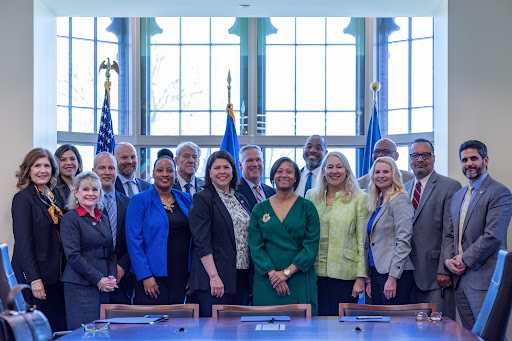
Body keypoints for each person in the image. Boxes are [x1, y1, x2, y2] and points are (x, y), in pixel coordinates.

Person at [443, 140, 512, 330]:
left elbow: (493, 235)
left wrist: (464, 259)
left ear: (485, 160)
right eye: (464, 160)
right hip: (459, 280)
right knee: (469, 336)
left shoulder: (499, 192)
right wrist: (448, 260)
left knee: (490, 335)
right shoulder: (459, 195)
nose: (469, 164)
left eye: (474, 158)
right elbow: (450, 234)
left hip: (485, 279)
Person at [249, 157, 320, 315]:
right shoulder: (259, 209)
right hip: (267, 279)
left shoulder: (307, 207)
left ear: (296, 177)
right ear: (273, 176)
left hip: (299, 275)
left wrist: (286, 273)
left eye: (289, 171)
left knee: (302, 333)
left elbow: (311, 246)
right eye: (279, 171)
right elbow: (255, 247)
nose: (284, 175)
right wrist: (273, 274)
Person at [189, 151, 251, 317]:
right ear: (209, 172)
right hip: (215, 280)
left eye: (226, 167)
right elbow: (202, 242)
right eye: (217, 168)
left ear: (233, 171)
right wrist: (214, 276)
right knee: (216, 332)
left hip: (240, 277)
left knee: (239, 332)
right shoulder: (202, 198)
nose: (222, 171)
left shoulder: (240, 198)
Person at [306, 151, 368, 316]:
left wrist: (361, 278)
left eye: (339, 167)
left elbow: (363, 241)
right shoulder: (311, 196)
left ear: (347, 170)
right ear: (324, 171)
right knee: (315, 326)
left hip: (346, 275)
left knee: (341, 328)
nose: (334, 171)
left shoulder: (360, 198)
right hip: (314, 273)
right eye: (330, 167)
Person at [11, 148, 67, 332]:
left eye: (46, 166)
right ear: (28, 170)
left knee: (54, 328)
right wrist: (34, 279)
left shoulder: (50, 197)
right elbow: (23, 243)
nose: (42, 170)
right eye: (37, 166)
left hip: (53, 277)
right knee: (37, 332)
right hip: (34, 278)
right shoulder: (23, 199)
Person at [404, 139, 461, 320]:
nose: (420, 159)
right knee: (409, 329)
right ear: (410, 159)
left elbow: (450, 232)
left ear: (433, 158)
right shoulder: (403, 189)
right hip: (405, 275)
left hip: (435, 275)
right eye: (415, 155)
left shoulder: (450, 186)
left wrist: (444, 268)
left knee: (439, 329)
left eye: (425, 155)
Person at [126, 155, 193, 305]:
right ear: (153, 174)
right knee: (153, 325)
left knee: (178, 324)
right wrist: (145, 275)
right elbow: (134, 241)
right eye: (160, 170)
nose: (165, 174)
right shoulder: (139, 201)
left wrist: (193, 273)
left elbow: (194, 238)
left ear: (175, 175)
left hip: (181, 275)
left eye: (170, 170)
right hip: (152, 277)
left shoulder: (186, 199)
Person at [61, 171, 117, 330]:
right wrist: (99, 279)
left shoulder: (103, 218)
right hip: (81, 287)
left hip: (105, 286)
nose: (91, 193)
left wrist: (111, 277)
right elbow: (73, 256)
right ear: (76, 193)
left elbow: (111, 252)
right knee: (85, 334)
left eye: (95, 190)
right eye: (85, 189)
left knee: (102, 333)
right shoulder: (70, 219)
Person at [365, 156, 414, 305]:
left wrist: (393, 277)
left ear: (394, 175)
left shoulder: (400, 200)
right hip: (376, 272)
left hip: (394, 274)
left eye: (386, 171)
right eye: (377, 172)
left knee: (393, 325)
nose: (381, 175)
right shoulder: (377, 202)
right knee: (378, 325)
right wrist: (369, 278)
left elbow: (404, 240)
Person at [92, 152, 133, 305]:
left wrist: (123, 265)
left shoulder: (129, 203)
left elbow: (135, 240)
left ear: (117, 171)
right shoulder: (85, 204)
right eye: (102, 168)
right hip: (93, 279)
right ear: (94, 171)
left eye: (111, 168)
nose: (107, 172)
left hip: (123, 280)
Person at [236, 144, 276, 212]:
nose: (255, 164)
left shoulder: (272, 192)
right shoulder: (234, 191)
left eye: (258, 160)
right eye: (250, 160)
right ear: (240, 165)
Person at [53, 144, 83, 212]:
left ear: (79, 163)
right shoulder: (53, 190)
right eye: (63, 160)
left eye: (72, 159)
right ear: (56, 164)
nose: (69, 163)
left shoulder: (86, 186)